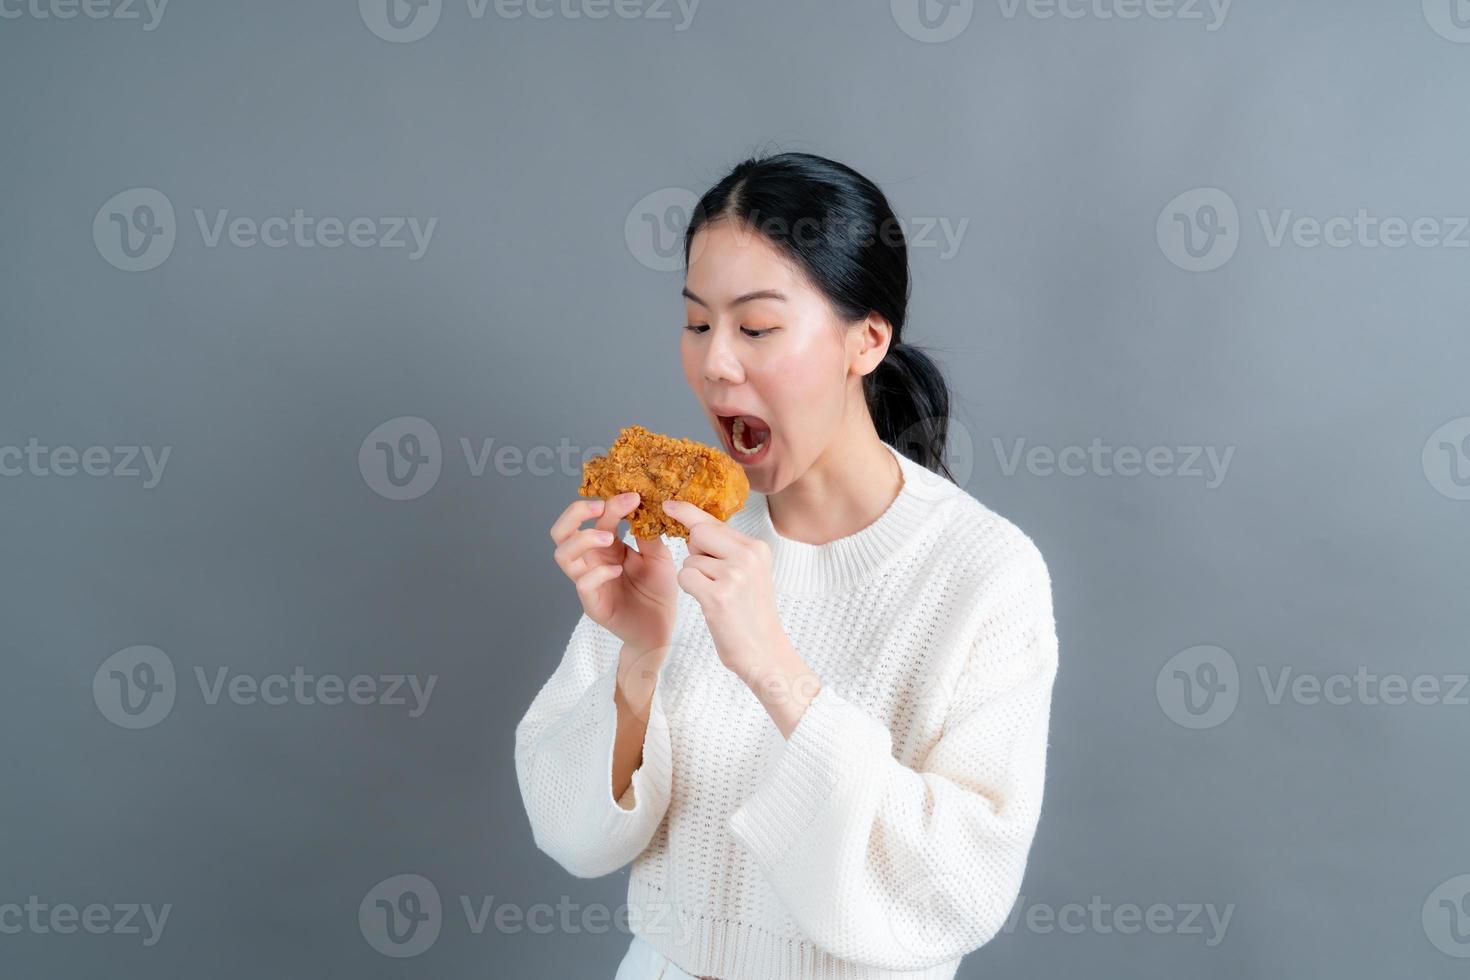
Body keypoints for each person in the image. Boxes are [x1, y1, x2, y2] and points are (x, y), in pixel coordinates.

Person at [515, 150, 1059, 980]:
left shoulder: (983, 573)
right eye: (698, 324)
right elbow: (572, 833)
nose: (716, 363)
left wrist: (774, 669)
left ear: (867, 340)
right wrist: (639, 659)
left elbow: (962, 887)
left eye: (758, 327)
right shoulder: (669, 543)